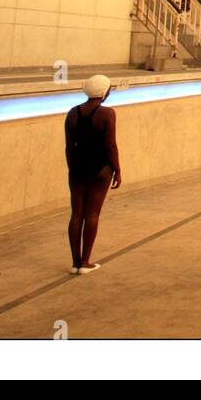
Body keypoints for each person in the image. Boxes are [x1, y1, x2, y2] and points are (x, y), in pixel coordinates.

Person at [64, 74, 122, 275]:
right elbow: (110, 145)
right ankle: (86, 262)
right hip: (100, 169)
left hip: (78, 167)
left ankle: (75, 262)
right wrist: (117, 170)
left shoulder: (73, 113)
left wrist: (72, 168)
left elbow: (69, 146)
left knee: (76, 214)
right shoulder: (107, 113)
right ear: (104, 92)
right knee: (93, 213)